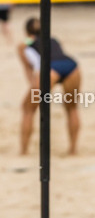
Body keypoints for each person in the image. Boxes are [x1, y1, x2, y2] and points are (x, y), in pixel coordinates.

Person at [17, 17, 81, 156]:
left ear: (27, 32)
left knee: (27, 108)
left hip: (50, 70)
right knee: (72, 109)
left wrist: (34, 86)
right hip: (72, 66)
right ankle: (73, 150)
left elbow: (28, 69)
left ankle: (23, 151)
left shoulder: (24, 45)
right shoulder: (53, 39)